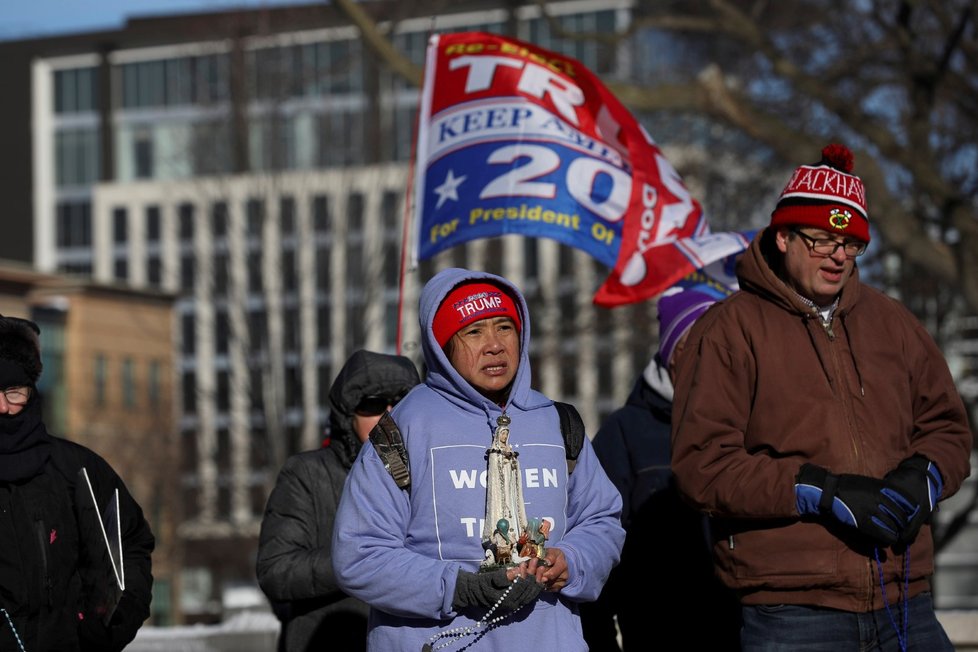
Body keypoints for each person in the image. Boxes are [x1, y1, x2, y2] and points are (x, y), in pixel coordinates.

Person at [670, 144, 973, 650]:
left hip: (906, 600)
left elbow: (948, 426)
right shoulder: (728, 331)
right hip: (793, 611)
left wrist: (927, 474)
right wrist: (817, 490)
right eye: (822, 240)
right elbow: (701, 465)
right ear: (783, 237)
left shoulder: (894, 323)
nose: (838, 254)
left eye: (851, 243)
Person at [332, 267, 625, 652]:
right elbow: (359, 555)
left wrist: (571, 561)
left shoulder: (558, 422)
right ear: (443, 346)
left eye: (504, 327)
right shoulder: (403, 429)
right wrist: (461, 586)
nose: (494, 345)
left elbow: (601, 520)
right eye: (474, 332)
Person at [580, 284, 741, 652]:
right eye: (692, 344)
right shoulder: (623, 432)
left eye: (715, 344)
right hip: (657, 633)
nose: (706, 357)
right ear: (670, 353)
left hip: (750, 633)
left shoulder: (755, 423)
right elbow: (595, 544)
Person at [0, 313, 155, 651]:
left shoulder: (77, 469)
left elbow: (130, 547)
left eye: (13, 392)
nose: (3, 407)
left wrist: (108, 624)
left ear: (32, 390)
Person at [256, 349, 422, 652]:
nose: (388, 416)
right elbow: (276, 570)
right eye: (372, 405)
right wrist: (361, 559)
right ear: (348, 416)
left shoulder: (431, 473)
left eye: (399, 404)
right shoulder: (305, 473)